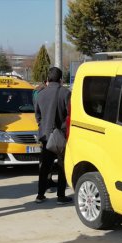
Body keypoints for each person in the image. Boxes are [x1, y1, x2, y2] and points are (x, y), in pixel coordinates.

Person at [34, 67, 72, 204]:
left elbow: (37, 116)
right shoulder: (66, 93)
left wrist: (43, 126)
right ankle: (61, 196)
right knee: (62, 166)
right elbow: (70, 115)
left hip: (45, 136)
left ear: (48, 79)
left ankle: (40, 195)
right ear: (61, 79)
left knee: (45, 166)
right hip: (61, 135)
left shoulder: (41, 94)